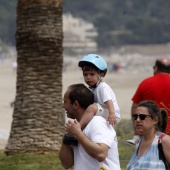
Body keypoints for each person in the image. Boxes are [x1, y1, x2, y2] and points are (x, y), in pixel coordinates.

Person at [59, 83, 121, 170]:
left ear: (76, 104)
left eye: (65, 102)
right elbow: (66, 164)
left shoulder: (97, 122)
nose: (63, 106)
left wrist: (78, 134)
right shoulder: (76, 128)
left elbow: (101, 154)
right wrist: (66, 140)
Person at [127, 57, 170, 145]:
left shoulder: (145, 83)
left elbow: (135, 107)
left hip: (150, 133)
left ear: (156, 68)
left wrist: (137, 129)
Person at [78, 54, 121, 129]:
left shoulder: (102, 87)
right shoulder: (93, 88)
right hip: (104, 111)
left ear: (101, 75)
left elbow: (108, 101)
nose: (88, 77)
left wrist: (111, 113)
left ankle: (78, 128)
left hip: (113, 114)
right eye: (85, 74)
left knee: (92, 108)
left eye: (92, 74)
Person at [126, 100, 170, 170]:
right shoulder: (138, 142)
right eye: (135, 116)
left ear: (155, 120)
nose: (137, 120)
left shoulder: (164, 141)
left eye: (142, 117)